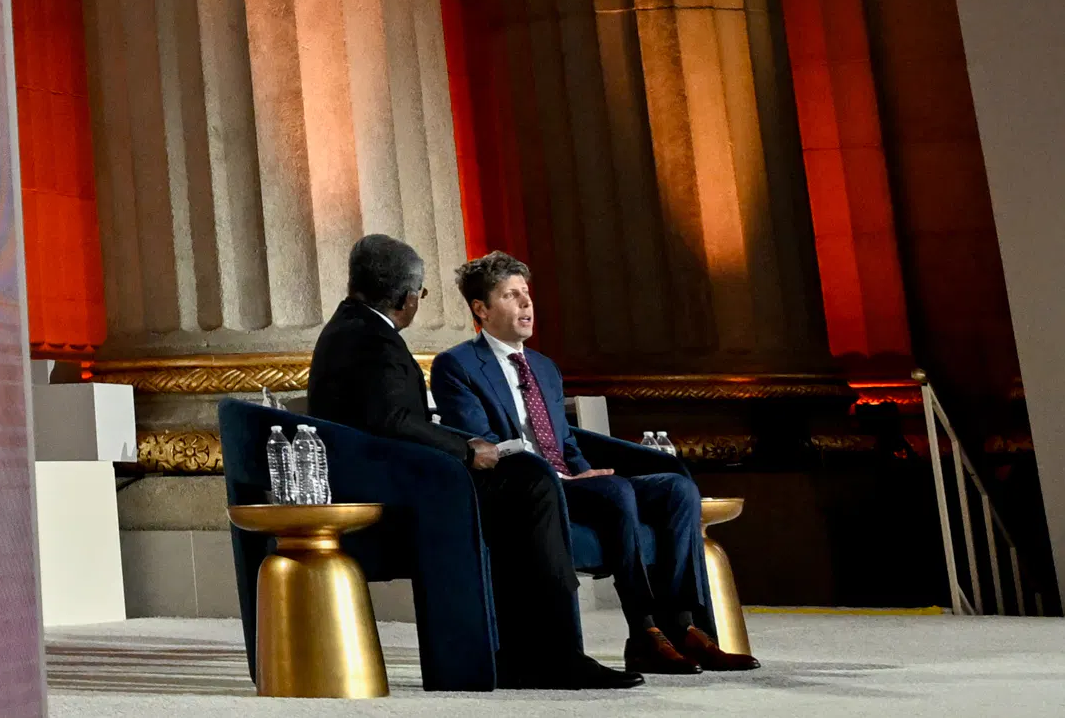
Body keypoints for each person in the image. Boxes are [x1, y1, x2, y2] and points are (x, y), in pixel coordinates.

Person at [306, 234, 636, 691]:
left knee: (525, 482)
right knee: (532, 482)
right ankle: (556, 654)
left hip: (392, 476)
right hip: (396, 490)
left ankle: (523, 653)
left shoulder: (354, 328)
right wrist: (468, 449)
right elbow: (392, 419)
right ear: (406, 298)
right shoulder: (372, 340)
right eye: (420, 296)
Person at [434, 252, 756, 675]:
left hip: (570, 478)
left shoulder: (545, 368)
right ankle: (644, 632)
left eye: (527, 295)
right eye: (511, 296)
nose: (527, 305)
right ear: (481, 309)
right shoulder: (457, 365)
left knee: (678, 489)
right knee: (615, 489)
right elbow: (486, 444)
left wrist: (582, 469)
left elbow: (565, 441)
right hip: (527, 485)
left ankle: (681, 626)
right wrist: (569, 476)